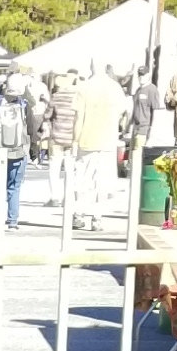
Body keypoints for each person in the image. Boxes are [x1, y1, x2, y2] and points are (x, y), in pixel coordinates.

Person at [73, 59, 128, 232]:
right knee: (102, 182)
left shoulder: (83, 87)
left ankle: (78, 213)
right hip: (107, 140)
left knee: (82, 179)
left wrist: (75, 140)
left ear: (91, 67)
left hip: (86, 140)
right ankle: (97, 218)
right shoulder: (115, 88)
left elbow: (78, 118)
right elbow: (123, 112)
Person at [0, 73, 32, 231]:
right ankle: (12, 221)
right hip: (17, 151)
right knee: (14, 186)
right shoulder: (24, 106)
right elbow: (31, 129)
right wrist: (34, 151)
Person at [46, 69, 81, 207]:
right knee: (70, 169)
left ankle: (55, 197)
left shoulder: (56, 97)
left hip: (57, 137)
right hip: (72, 137)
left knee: (54, 168)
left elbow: (47, 115)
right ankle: (68, 197)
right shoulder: (77, 98)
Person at [129, 70, 163, 151]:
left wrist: (151, 132)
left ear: (148, 76)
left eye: (143, 75)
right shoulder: (138, 90)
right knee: (133, 154)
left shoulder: (152, 89)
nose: (141, 77)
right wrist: (129, 126)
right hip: (135, 129)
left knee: (138, 154)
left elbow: (156, 111)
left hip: (144, 130)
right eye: (139, 75)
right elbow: (134, 109)